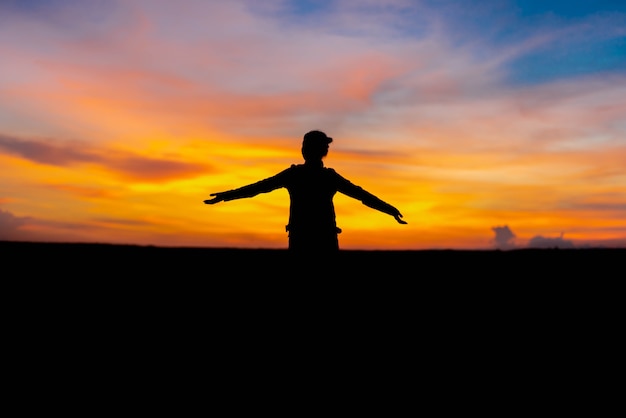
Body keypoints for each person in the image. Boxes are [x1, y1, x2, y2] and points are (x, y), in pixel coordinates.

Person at [204, 130, 407, 252]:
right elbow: (362, 196)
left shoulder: (298, 175)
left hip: (306, 239)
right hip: (319, 239)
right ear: (323, 151)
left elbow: (257, 188)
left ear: (304, 150)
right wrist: (390, 210)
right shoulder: (325, 177)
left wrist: (226, 196)